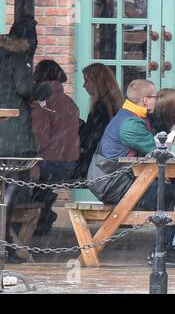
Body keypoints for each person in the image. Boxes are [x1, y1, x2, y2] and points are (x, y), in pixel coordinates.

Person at [87, 80, 175, 266]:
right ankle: (163, 252)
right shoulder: (130, 123)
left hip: (120, 180)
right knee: (174, 196)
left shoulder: (131, 116)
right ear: (145, 100)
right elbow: (160, 151)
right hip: (113, 185)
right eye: (154, 97)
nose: (156, 101)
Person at [0, 17, 51, 263]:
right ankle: (6, 245)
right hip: (11, 135)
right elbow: (23, 88)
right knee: (12, 187)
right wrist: (43, 90)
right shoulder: (17, 57)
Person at [31, 60, 80, 236]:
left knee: (19, 177)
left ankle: (35, 218)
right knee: (40, 186)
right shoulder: (69, 102)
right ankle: (44, 211)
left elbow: (40, 139)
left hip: (49, 163)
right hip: (69, 164)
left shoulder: (42, 102)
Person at [74, 63, 123, 179]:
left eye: (86, 81)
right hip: (109, 162)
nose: (83, 85)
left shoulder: (101, 108)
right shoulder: (113, 105)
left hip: (97, 164)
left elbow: (91, 139)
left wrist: (78, 125)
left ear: (96, 82)